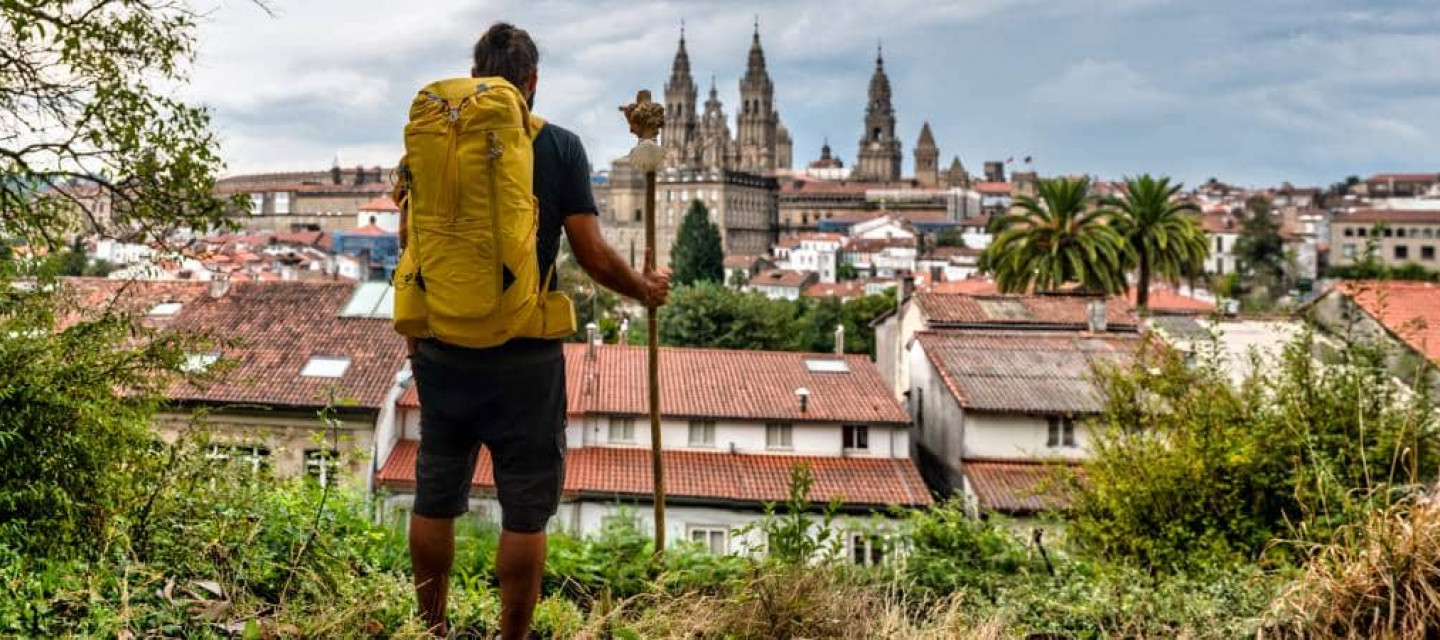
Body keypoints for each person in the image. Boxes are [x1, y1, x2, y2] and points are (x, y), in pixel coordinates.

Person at [404, 22, 670, 639]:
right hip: (525, 355)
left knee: (434, 493)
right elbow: (593, 256)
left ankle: (430, 629)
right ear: (532, 83)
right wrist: (643, 289)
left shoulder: (432, 141)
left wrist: (413, 329)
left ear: (474, 78)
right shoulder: (559, 147)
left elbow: (413, 240)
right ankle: (512, 638)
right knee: (524, 511)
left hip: (442, 343)